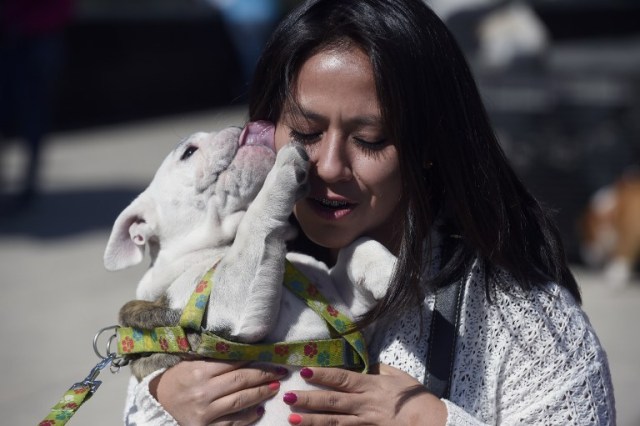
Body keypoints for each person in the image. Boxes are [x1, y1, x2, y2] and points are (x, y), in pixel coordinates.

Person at [124, 0, 615, 424]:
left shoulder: (533, 329)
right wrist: (164, 402)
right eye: (305, 133)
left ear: (429, 145)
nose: (330, 166)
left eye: (370, 140)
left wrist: (430, 419)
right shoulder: (204, 280)